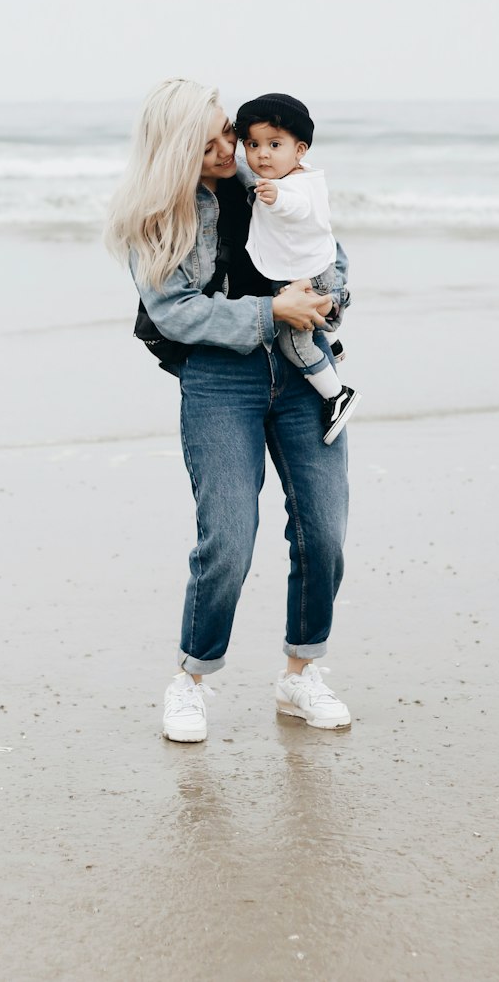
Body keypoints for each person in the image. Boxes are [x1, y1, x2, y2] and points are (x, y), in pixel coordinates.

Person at [105, 78, 354, 743]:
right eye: (208, 140)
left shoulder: (270, 176)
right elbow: (173, 310)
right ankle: (190, 679)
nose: (230, 148)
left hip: (303, 369)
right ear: (174, 148)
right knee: (227, 540)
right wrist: (269, 309)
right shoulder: (154, 215)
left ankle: (301, 672)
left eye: (229, 132)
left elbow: (325, 246)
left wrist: (328, 298)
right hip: (220, 379)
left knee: (324, 532)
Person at [235, 92, 360, 445]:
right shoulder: (295, 173)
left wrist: (278, 199)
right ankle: (332, 344)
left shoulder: (293, 188)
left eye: (275, 144)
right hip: (314, 263)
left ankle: (336, 394)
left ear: (300, 149)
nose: (262, 154)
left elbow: (300, 208)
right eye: (252, 144)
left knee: (293, 340)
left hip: (308, 274)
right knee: (314, 312)